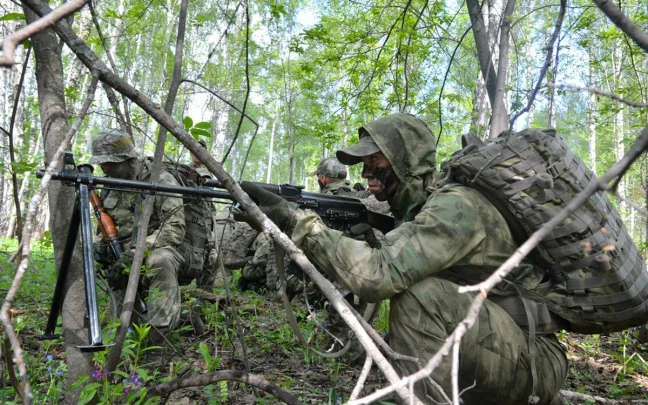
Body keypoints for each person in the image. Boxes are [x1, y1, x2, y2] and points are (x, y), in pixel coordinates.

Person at [236, 113, 567, 404]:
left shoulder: (456, 206)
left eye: (376, 163)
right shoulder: (422, 211)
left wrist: (298, 223)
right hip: (501, 351)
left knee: (418, 297)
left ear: (406, 162)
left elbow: (379, 276)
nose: (367, 174)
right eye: (364, 167)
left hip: (533, 361)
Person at [90, 129, 219, 341]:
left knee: (161, 258)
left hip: (175, 253)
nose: (104, 167)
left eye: (111, 162)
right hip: (127, 257)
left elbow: (174, 228)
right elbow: (102, 230)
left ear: (128, 159)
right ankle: (121, 332)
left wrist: (137, 252)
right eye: (102, 163)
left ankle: (159, 335)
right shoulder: (110, 185)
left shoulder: (160, 178)